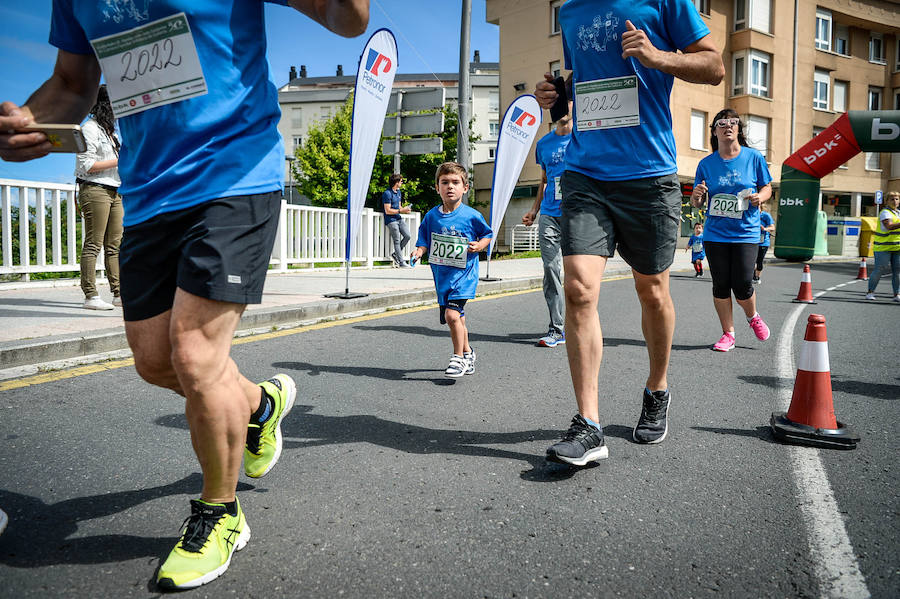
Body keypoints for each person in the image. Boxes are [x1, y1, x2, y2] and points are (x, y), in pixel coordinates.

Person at [0, 1, 369, 589]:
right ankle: (257, 405)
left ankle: (220, 514)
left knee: (196, 355)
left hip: (234, 171)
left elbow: (348, 19)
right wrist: (26, 126)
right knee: (155, 361)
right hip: (148, 190)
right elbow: (73, 84)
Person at [534, 1, 724, 465]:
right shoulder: (571, 11)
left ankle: (657, 388)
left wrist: (659, 56)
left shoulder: (664, 2)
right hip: (585, 173)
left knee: (652, 291)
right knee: (578, 290)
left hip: (648, 174)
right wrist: (556, 98)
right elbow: (583, 83)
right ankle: (588, 425)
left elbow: (714, 66)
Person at [690, 109, 773, 352]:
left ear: (739, 128)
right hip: (715, 233)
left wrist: (760, 196)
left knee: (743, 283)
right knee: (720, 284)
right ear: (714, 131)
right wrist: (696, 197)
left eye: (733, 122)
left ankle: (752, 316)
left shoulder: (753, 157)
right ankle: (728, 334)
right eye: (722, 123)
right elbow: (698, 202)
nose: (728, 126)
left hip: (746, 232)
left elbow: (767, 187)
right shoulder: (706, 164)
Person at [411, 162, 492, 378]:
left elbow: (487, 234)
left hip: (464, 276)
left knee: (452, 315)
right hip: (443, 278)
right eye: (444, 182)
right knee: (458, 319)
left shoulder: (471, 215)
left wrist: (480, 245)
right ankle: (468, 353)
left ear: (465, 188)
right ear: (437, 187)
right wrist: (419, 251)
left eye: (456, 182)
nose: (450, 186)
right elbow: (423, 240)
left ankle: (457, 358)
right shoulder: (431, 217)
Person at [522, 109, 572, 348]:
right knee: (551, 270)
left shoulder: (584, 138)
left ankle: (581, 323)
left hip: (578, 215)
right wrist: (534, 210)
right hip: (550, 214)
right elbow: (543, 180)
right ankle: (557, 328)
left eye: (567, 101)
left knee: (578, 277)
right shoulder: (543, 144)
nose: (563, 108)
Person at [75, 84, 123, 311]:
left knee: (114, 246)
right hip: (95, 189)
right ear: (106, 105)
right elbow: (87, 165)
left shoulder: (110, 132)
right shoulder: (90, 129)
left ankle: (118, 294)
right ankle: (90, 296)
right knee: (94, 243)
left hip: (114, 190)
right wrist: (122, 159)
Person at [865, 190, 900, 301]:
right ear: (886, 201)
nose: (895, 201)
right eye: (892, 199)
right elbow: (889, 226)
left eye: (897, 199)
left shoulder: (898, 213)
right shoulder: (885, 212)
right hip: (883, 247)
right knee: (879, 269)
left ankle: (897, 294)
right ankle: (870, 292)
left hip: (897, 247)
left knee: (897, 271)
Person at [383, 173, 412, 267]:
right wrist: (401, 210)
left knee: (407, 235)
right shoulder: (387, 193)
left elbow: (399, 206)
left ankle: (396, 254)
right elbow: (387, 210)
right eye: (401, 181)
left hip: (398, 218)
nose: (402, 183)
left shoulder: (398, 192)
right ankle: (401, 262)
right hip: (391, 220)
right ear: (396, 182)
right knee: (396, 240)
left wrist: (405, 210)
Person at [754, 208, 775, 284]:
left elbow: (772, 228)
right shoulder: (750, 214)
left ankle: (757, 277)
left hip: (763, 242)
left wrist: (764, 229)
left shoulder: (765, 215)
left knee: (759, 261)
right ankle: (752, 275)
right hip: (752, 241)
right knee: (750, 260)